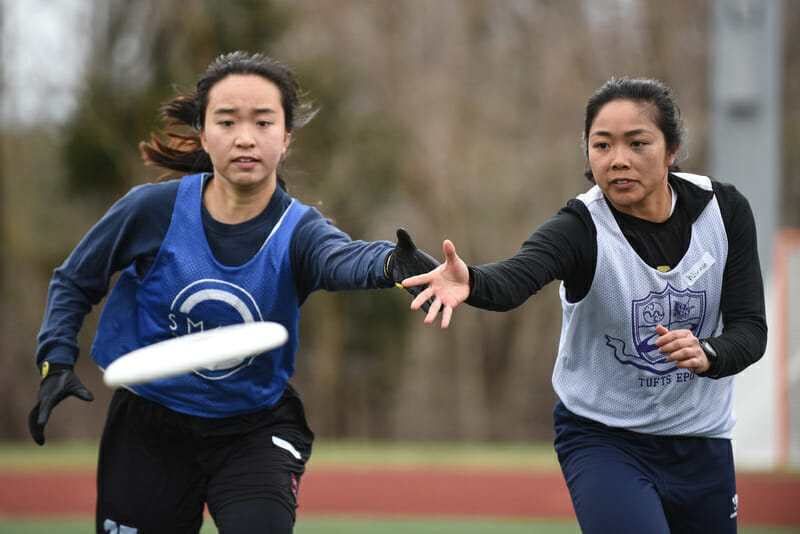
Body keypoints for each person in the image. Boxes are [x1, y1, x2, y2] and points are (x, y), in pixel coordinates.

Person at [28, 50, 437, 534]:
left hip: (253, 429)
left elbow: (342, 258)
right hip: (148, 426)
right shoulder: (151, 211)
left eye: (264, 123)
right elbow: (76, 278)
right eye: (227, 122)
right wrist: (55, 359)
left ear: (285, 139)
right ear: (203, 133)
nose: (245, 137)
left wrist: (392, 262)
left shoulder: (298, 231)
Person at [403, 77, 767, 533]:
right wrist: (471, 281)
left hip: (702, 441)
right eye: (602, 145)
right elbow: (517, 277)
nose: (618, 160)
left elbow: (750, 330)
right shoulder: (581, 227)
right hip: (604, 438)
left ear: (671, 150)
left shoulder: (725, 211)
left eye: (638, 143)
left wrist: (709, 353)